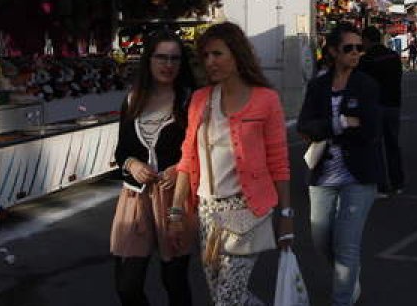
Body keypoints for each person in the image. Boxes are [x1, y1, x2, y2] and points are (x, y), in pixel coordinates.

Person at [169, 23, 293, 306]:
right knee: (222, 295)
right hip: (207, 213)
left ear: (236, 55)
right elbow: (187, 157)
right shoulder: (200, 100)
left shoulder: (266, 100)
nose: (210, 61)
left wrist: (286, 214)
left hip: (248, 210)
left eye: (217, 54)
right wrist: (176, 212)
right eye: (206, 55)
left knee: (227, 299)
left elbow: (279, 162)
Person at [298, 23, 383, 306]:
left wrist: (327, 128)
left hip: (358, 176)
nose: (356, 53)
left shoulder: (367, 86)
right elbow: (303, 127)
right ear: (334, 51)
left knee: (346, 244)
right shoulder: (318, 86)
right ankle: (349, 277)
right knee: (321, 240)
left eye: (360, 48)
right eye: (349, 48)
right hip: (323, 174)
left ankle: (343, 298)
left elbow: (371, 130)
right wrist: (341, 123)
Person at [111, 31, 196, 306]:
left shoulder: (190, 100)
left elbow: (203, 151)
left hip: (175, 199)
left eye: (174, 58)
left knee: (174, 281)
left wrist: (179, 169)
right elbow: (121, 150)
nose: (168, 64)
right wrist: (132, 164)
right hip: (135, 199)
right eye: (161, 57)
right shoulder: (133, 99)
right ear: (149, 59)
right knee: (128, 285)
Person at [358, 25, 406, 197]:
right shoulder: (393, 56)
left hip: (375, 107)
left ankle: (381, 185)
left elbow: (361, 85)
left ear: (367, 40)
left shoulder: (366, 60)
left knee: (376, 146)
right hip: (393, 105)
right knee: (393, 145)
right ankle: (398, 182)